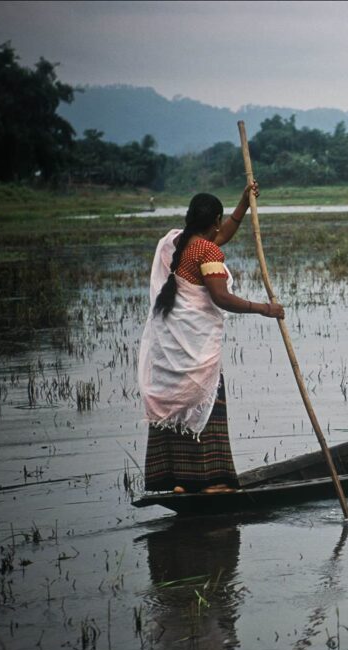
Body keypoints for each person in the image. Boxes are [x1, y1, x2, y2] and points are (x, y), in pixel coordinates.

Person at [138, 182, 284, 494]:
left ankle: (178, 481)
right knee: (206, 402)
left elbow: (223, 234)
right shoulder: (206, 250)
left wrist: (243, 202)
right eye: (219, 221)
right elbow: (221, 297)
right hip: (194, 350)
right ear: (213, 220)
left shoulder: (178, 241)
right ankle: (211, 481)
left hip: (174, 346)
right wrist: (264, 309)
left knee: (179, 405)